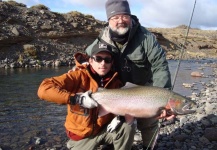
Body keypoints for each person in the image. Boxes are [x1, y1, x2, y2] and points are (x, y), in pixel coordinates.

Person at [85, 0, 173, 149]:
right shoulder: (102, 39)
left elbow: (160, 66)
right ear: (109, 20)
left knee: (149, 121)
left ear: (130, 17)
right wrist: (78, 68)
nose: (120, 21)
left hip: (144, 87)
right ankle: (114, 143)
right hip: (117, 89)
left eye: (125, 16)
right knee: (117, 121)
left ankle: (149, 147)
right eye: (115, 17)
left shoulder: (146, 38)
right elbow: (87, 58)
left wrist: (163, 98)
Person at [37, 42, 136, 150]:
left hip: (104, 130)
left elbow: (122, 106)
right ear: (90, 60)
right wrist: (77, 99)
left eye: (107, 60)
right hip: (81, 137)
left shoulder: (116, 83)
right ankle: (74, 145)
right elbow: (44, 89)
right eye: (98, 59)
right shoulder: (77, 75)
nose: (103, 63)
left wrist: (119, 117)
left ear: (111, 62)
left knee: (128, 125)